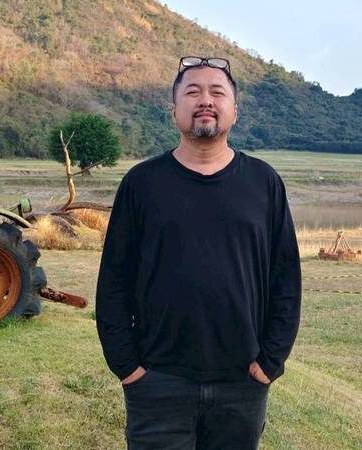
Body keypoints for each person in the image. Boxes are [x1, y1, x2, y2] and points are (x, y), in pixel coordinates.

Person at [96, 56, 301, 449]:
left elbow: (286, 281)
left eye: (217, 92)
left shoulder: (263, 183)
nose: (205, 100)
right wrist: (128, 367)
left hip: (241, 382)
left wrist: (270, 362)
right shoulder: (142, 184)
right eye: (192, 91)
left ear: (234, 111)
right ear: (174, 110)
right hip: (157, 381)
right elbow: (114, 282)